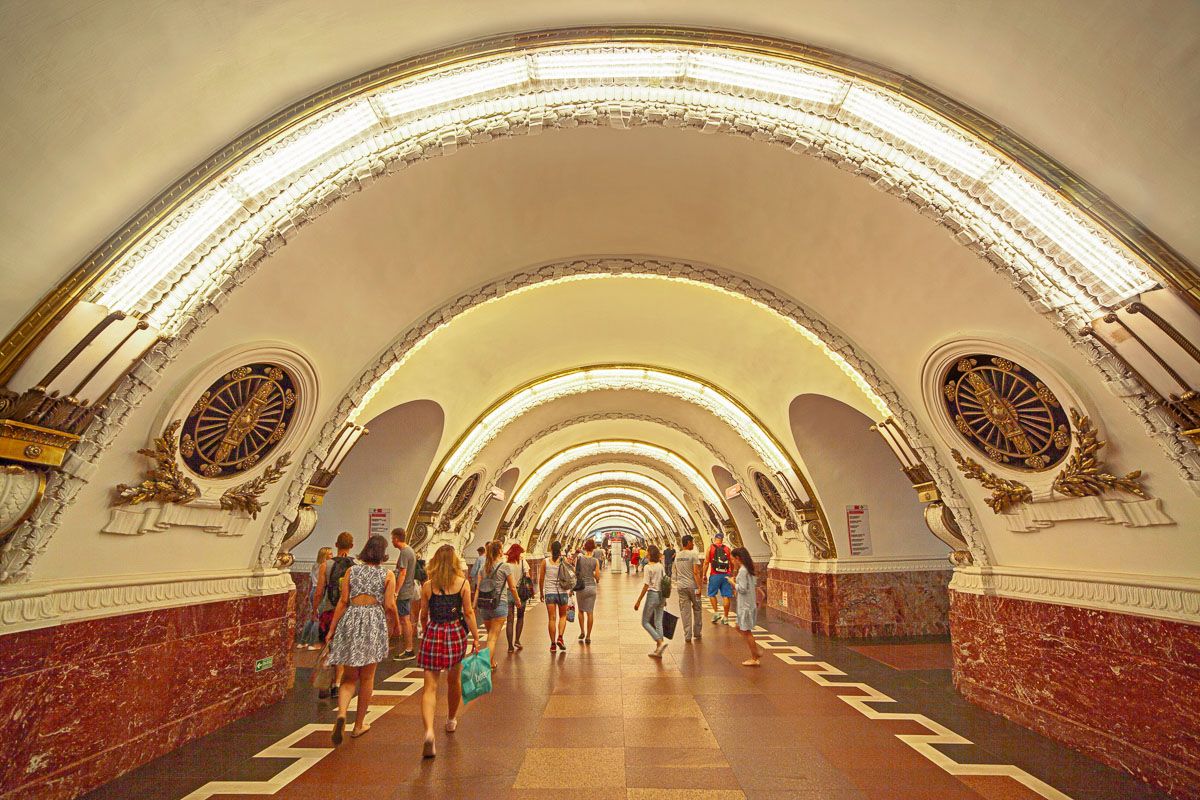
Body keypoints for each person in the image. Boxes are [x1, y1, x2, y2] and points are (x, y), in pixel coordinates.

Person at [324, 534, 402, 745]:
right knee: (367, 678)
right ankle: (358, 725)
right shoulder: (387, 575)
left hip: (351, 618)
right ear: (383, 553)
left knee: (349, 677)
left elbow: (342, 602)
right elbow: (389, 605)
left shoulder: (352, 571)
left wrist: (332, 629)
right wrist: (396, 623)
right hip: (373, 622)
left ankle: (341, 713)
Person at [418, 544, 479, 759]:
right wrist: (476, 638)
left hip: (434, 632)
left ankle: (428, 732)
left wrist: (426, 632)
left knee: (429, 687)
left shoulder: (427, 586)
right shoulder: (463, 584)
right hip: (454, 633)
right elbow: (469, 612)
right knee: (453, 681)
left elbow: (424, 614)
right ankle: (451, 719)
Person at [314, 532, 356, 698]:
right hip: (348, 612)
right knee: (342, 647)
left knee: (328, 646)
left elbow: (319, 591)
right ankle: (337, 683)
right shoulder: (355, 566)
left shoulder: (326, 565)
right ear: (351, 546)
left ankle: (325, 679)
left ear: (336, 544)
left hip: (329, 609)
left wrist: (315, 609)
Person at [475, 540, 523, 670]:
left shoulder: (483, 568)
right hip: (499, 604)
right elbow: (512, 587)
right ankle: (485, 666)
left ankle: (491, 661)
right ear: (499, 551)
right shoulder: (504, 567)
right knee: (492, 638)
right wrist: (517, 600)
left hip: (484, 605)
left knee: (490, 635)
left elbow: (478, 588)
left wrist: (475, 605)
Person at [633, 544, 668, 658]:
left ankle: (659, 642)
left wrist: (638, 600)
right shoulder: (660, 566)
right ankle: (659, 650)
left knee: (645, 622)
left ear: (650, 553)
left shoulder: (648, 567)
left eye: (647, 551)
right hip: (661, 595)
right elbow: (664, 582)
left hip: (652, 595)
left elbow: (646, 585)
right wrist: (665, 598)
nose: (646, 553)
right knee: (658, 621)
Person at [731, 547, 763, 666]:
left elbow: (743, 589)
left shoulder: (743, 571)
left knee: (746, 631)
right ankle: (755, 651)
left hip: (745, 606)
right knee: (739, 627)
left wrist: (733, 583)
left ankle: (755, 657)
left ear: (738, 558)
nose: (732, 562)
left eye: (733, 559)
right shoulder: (748, 569)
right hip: (747, 604)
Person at [672, 535, 704, 643]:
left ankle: (687, 635)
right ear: (688, 542)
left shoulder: (677, 556)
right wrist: (700, 587)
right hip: (693, 586)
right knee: (697, 608)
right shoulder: (693, 555)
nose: (693, 544)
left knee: (685, 611)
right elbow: (696, 572)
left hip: (681, 587)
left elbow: (675, 571)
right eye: (692, 542)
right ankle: (697, 632)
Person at [540, 541, 571, 652]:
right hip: (562, 592)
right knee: (563, 616)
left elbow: (541, 579)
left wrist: (541, 592)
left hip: (549, 593)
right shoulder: (564, 560)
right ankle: (560, 638)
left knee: (552, 618)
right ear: (560, 549)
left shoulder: (545, 562)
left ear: (551, 549)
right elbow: (570, 576)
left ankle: (553, 644)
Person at [298, 547, 332, 649]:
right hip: (320, 591)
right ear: (325, 555)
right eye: (330, 554)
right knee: (318, 617)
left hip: (313, 589)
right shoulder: (324, 566)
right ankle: (314, 643)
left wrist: (308, 594)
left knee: (312, 616)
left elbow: (310, 580)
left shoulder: (315, 565)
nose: (332, 556)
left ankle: (303, 642)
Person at [392, 528, 418, 660]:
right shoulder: (410, 551)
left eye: (392, 538)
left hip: (403, 591)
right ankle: (409, 648)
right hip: (409, 589)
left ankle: (409, 649)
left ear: (396, 538)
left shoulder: (404, 552)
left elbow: (402, 573)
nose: (392, 541)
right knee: (406, 618)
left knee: (404, 619)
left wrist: (396, 591)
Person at [703, 532, 734, 625]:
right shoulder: (727, 549)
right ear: (722, 539)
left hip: (714, 575)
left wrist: (704, 574)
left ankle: (716, 613)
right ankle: (726, 617)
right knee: (726, 596)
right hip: (726, 575)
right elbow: (731, 562)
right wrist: (731, 572)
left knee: (712, 594)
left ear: (714, 538)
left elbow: (706, 562)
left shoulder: (710, 548)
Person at [574, 540, 601, 643]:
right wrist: (594, 575)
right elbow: (597, 577)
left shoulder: (579, 559)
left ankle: (582, 631)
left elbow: (576, 573)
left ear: (584, 548)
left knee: (581, 611)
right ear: (593, 548)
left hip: (581, 588)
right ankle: (588, 636)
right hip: (591, 588)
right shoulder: (595, 561)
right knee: (590, 612)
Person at [504, 543, 529, 652]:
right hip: (521, 592)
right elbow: (528, 576)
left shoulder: (506, 565)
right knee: (520, 617)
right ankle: (517, 640)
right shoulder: (523, 562)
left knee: (509, 620)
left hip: (508, 591)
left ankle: (510, 646)